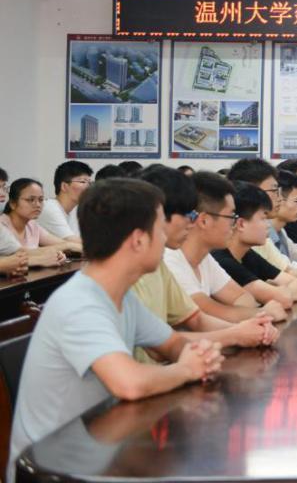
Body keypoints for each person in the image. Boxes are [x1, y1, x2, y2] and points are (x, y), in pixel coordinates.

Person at [9, 179, 224, 476]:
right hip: (58, 469)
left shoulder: (119, 295)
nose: (166, 237)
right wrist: (188, 369)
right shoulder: (80, 302)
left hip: (103, 448)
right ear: (138, 240)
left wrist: (201, 354)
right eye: (160, 228)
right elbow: (129, 384)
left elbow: (172, 344)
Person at [133, 165, 279, 362]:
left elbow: (196, 319)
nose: (190, 222)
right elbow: (158, 348)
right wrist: (237, 333)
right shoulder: (157, 263)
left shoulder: (158, 264)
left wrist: (249, 330)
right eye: (187, 214)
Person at [164, 172, 288, 323]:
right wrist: (263, 312)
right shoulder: (170, 259)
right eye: (231, 217)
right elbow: (204, 315)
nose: (234, 224)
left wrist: (254, 312)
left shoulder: (205, 258)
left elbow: (244, 299)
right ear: (204, 221)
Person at [210, 183, 297, 307]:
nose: (268, 225)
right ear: (241, 224)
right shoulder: (222, 260)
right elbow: (283, 298)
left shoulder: (247, 254)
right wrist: (273, 291)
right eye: (263, 219)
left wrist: (269, 292)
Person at [1, 178, 82, 257]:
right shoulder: (2, 225)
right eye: (31, 200)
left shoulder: (32, 225)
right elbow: (22, 254)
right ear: (13, 204)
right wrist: (67, 246)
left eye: (41, 200)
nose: (38, 205)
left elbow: (62, 244)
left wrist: (66, 248)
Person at [38, 161, 93, 239]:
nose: (89, 187)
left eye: (90, 183)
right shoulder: (50, 208)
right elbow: (72, 241)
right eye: (83, 182)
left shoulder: (75, 209)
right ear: (64, 186)